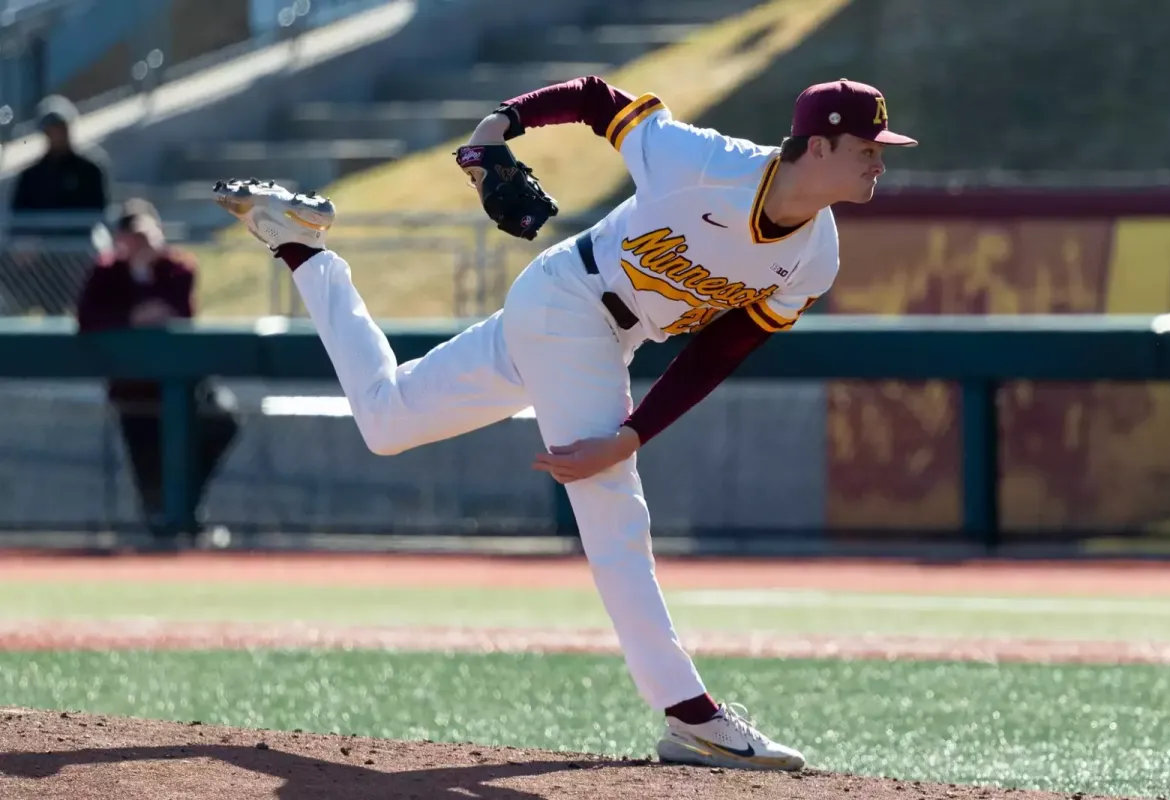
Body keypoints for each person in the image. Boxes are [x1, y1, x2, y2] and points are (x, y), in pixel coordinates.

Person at [214, 76, 916, 771]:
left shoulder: (815, 257)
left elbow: (721, 349)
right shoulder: (703, 161)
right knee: (613, 513)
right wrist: (498, 127)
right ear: (818, 146)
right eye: (867, 147)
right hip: (571, 301)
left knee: (386, 418)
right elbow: (596, 98)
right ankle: (692, 716)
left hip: (586, 326)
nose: (880, 161)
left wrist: (633, 431)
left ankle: (300, 245)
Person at [76, 199, 241, 542]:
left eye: (147, 235)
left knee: (221, 421)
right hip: (133, 389)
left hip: (183, 387)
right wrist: (130, 318)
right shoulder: (106, 273)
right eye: (133, 237)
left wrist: (145, 302)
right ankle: (162, 531)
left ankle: (188, 512)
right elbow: (88, 318)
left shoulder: (177, 269)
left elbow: (178, 309)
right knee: (148, 467)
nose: (143, 244)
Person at [3, 95, 110, 315]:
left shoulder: (90, 169)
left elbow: (96, 212)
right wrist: (26, 241)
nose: (56, 134)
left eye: (60, 128)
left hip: (80, 243)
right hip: (38, 249)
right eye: (51, 130)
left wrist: (57, 235)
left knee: (95, 262)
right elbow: (18, 214)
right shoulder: (32, 174)